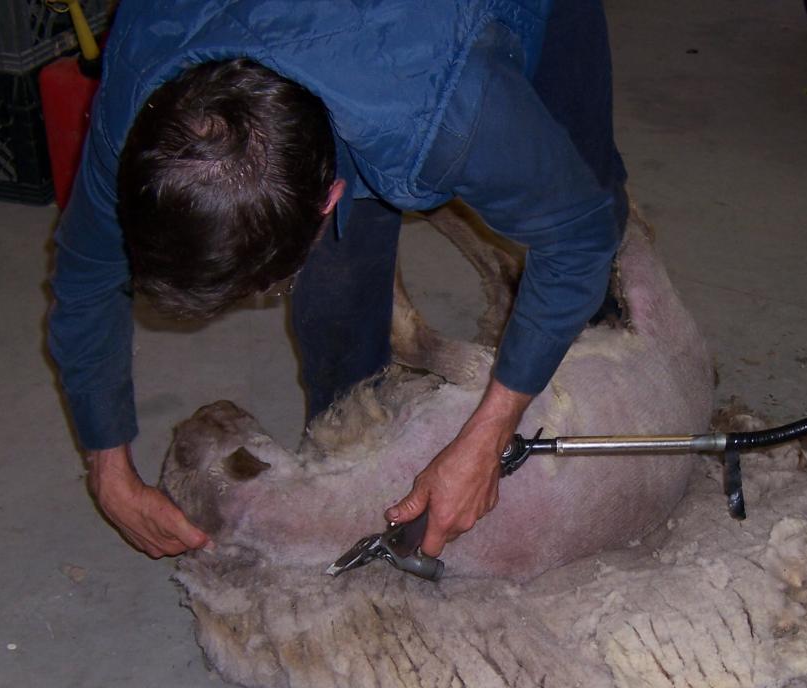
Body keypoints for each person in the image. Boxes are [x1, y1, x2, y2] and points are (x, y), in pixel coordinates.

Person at [48, 0, 628, 560]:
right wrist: (108, 468)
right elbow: (86, 276)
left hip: (455, 33)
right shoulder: (143, 102)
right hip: (346, 58)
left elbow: (579, 233)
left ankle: (601, 345)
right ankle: (350, 446)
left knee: (585, 184)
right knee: (336, 295)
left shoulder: (447, 114)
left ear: (330, 198)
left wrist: (492, 430)